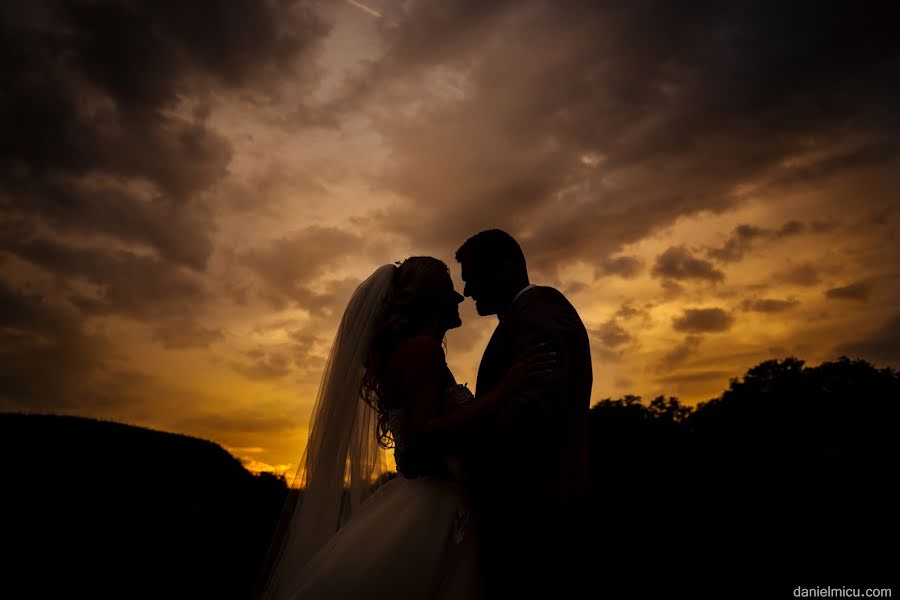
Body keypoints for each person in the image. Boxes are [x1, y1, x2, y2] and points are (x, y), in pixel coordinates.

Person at [257, 256, 554, 600]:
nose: (460, 298)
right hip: (433, 506)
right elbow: (422, 431)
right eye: (449, 290)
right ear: (428, 299)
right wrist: (504, 391)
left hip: (429, 497)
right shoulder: (420, 350)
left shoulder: (417, 351)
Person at [455, 230, 592, 599]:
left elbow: (538, 414)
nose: (467, 291)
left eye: (471, 277)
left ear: (504, 266)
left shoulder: (541, 316)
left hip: (535, 514)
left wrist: (462, 439)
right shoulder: (528, 316)